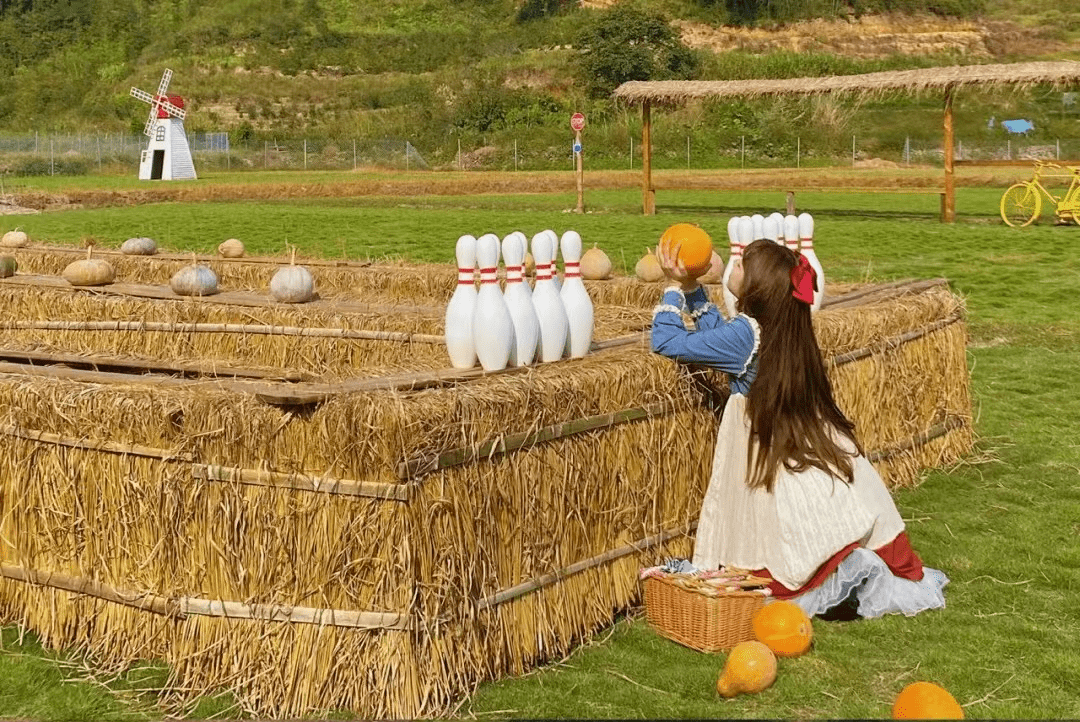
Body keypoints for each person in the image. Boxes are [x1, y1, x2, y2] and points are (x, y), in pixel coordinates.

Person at [650, 234, 947, 619]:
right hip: (797, 430)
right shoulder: (779, 324)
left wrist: (673, 287)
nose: (731, 264)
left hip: (764, 436)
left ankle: (825, 577)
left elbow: (667, 340)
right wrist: (694, 289)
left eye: (740, 264)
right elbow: (716, 337)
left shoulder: (746, 334)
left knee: (787, 533)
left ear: (757, 286)